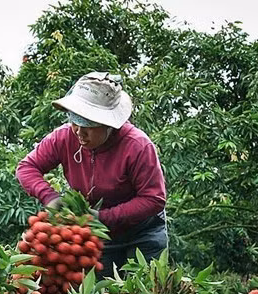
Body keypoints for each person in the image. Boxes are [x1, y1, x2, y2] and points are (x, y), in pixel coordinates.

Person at [16, 72, 168, 276]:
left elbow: (154, 199)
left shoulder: (137, 146)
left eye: (88, 126)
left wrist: (105, 217)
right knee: (104, 292)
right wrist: (49, 196)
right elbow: (26, 168)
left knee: (144, 290)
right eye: (75, 123)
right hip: (100, 236)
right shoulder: (63, 138)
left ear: (109, 125)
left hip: (143, 233)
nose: (79, 133)